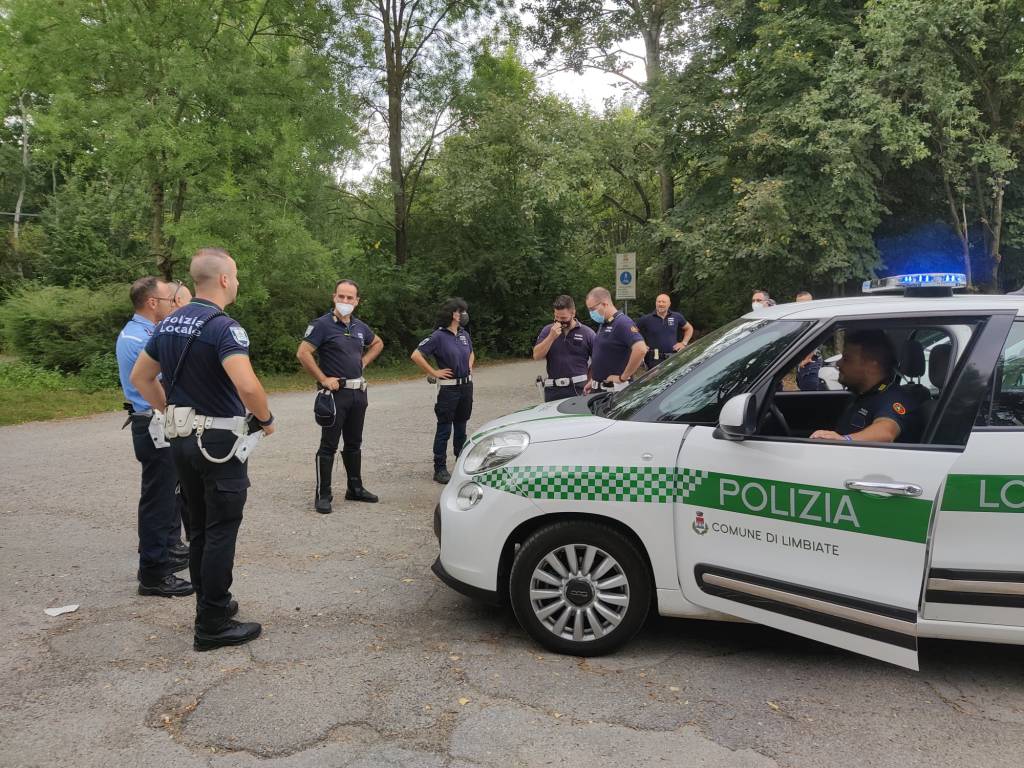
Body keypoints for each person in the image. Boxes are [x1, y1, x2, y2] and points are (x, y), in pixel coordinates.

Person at [131, 247, 274, 652]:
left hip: (181, 439)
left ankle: (214, 605)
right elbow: (246, 385)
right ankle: (211, 624)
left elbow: (142, 376)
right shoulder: (224, 327)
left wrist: (171, 412)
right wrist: (265, 418)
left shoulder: (169, 321)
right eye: (238, 274)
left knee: (197, 531)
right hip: (219, 445)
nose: (238, 281)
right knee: (220, 531)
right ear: (226, 279)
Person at [116, 276, 194, 597]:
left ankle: (168, 548)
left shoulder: (144, 332)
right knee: (158, 498)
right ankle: (153, 573)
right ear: (152, 303)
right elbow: (166, 381)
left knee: (170, 491)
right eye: (166, 301)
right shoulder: (140, 338)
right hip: (154, 423)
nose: (171, 306)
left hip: (158, 421)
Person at [297, 279, 384, 514]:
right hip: (335, 395)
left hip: (358, 394)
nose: (345, 301)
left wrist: (363, 361)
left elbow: (377, 343)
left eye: (350, 298)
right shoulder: (322, 325)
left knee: (354, 443)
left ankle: (354, 488)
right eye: (341, 297)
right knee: (329, 446)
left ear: (357, 301)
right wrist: (323, 378)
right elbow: (303, 353)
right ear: (334, 297)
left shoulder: (359, 327)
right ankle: (323, 494)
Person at [810, 330, 917, 443]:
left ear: (872, 367)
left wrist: (844, 440)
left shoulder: (894, 399)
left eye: (847, 359)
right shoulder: (863, 394)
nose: (838, 364)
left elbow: (886, 432)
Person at [410, 298, 474, 483]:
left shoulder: (464, 334)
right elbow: (416, 354)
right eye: (460, 310)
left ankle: (461, 464)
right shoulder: (438, 336)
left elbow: (471, 352)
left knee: (461, 427)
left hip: (466, 386)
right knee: (445, 428)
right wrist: (434, 372)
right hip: (449, 389)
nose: (464, 314)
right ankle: (440, 468)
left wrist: (469, 365)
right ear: (452, 314)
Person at [532, 295, 595, 401]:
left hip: (578, 388)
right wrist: (551, 337)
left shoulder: (587, 333)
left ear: (573, 313)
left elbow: (599, 359)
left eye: (563, 318)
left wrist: (590, 378)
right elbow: (537, 356)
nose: (560, 322)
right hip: (553, 389)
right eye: (556, 318)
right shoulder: (548, 330)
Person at [584, 287, 647, 391]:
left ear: (604, 304)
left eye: (592, 309)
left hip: (614, 391)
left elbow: (641, 349)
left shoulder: (622, 323)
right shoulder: (604, 323)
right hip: (600, 388)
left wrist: (623, 378)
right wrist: (594, 381)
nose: (591, 313)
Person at [636, 293, 693, 368]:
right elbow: (633, 331)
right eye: (659, 302)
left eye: (663, 302)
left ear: (669, 304)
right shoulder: (646, 319)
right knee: (655, 379)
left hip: (673, 357)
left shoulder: (676, 316)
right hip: (654, 359)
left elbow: (689, 328)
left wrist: (683, 343)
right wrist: (641, 344)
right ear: (656, 303)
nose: (661, 304)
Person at [793, 290, 825, 391]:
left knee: (809, 399)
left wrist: (806, 358)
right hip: (803, 366)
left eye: (805, 304)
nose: (802, 307)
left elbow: (816, 340)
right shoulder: (800, 320)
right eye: (799, 304)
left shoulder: (815, 319)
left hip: (810, 364)